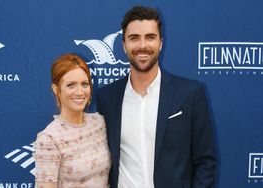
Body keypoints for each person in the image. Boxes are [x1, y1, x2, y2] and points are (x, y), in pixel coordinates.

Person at [96, 6, 217, 188]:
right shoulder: (107, 97)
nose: (142, 45)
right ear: (124, 45)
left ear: (161, 43)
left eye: (150, 37)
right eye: (134, 38)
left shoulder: (190, 94)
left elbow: (205, 162)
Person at [34, 53, 111, 188]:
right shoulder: (49, 139)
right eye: (71, 85)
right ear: (56, 90)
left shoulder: (100, 123)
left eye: (84, 84)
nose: (80, 92)